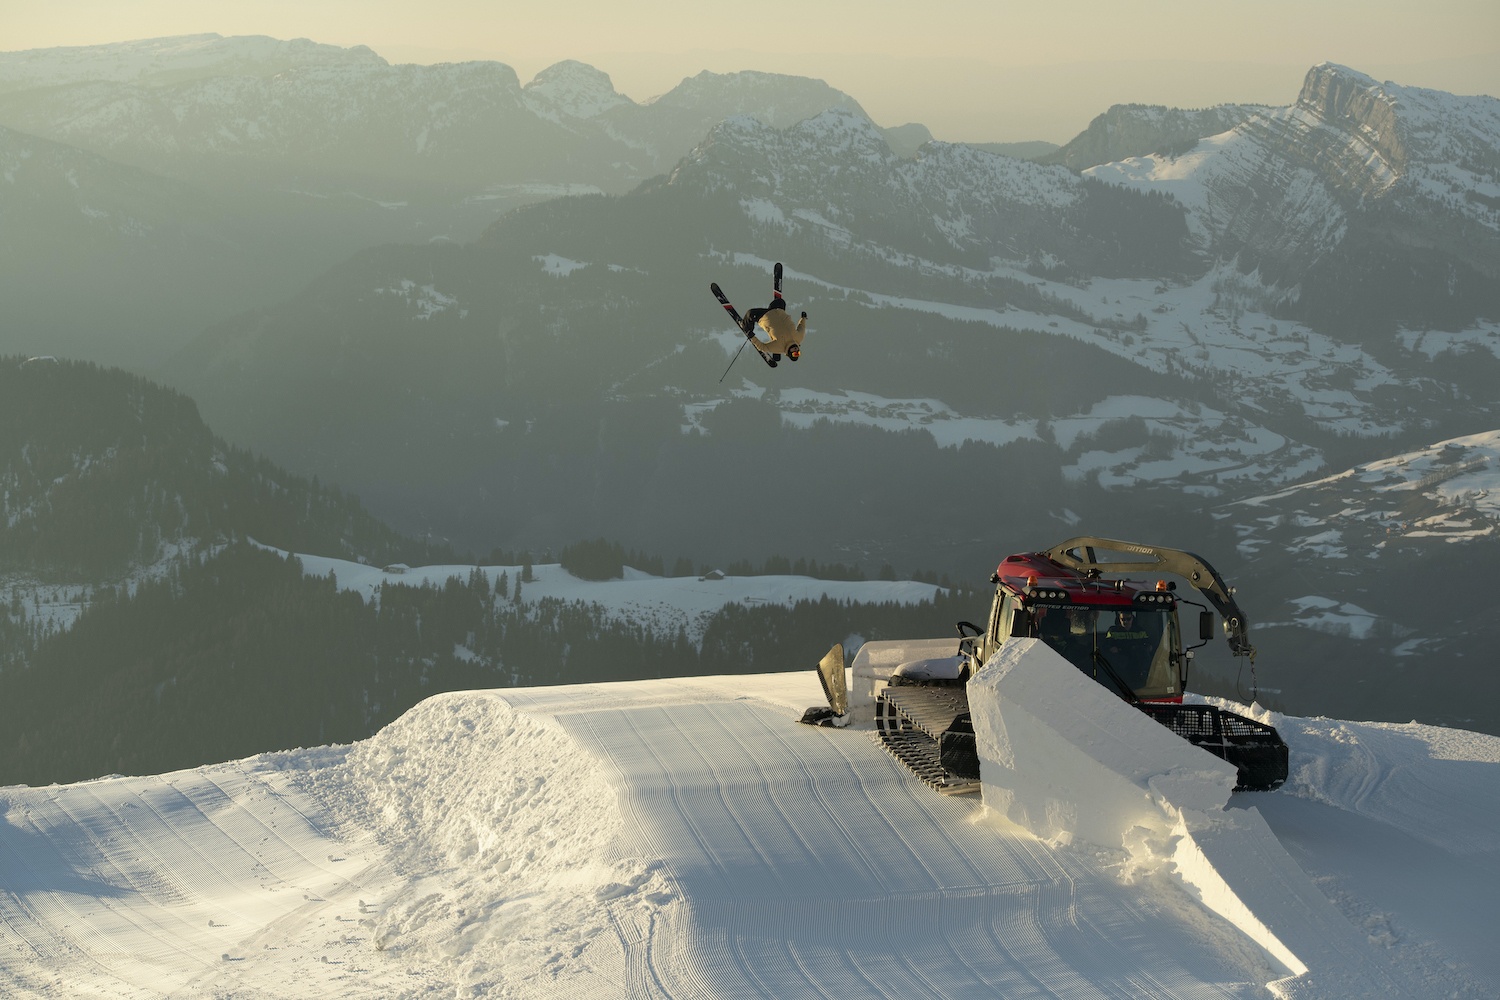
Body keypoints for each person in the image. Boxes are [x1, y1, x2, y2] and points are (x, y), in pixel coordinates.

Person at [741, 263, 807, 367]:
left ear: (789, 353)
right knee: (781, 301)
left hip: (765, 317)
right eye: (798, 352)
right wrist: (803, 318)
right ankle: (773, 308)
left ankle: (746, 327)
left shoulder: (779, 347)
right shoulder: (799, 338)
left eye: (795, 353)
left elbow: (762, 347)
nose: (796, 350)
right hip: (779, 311)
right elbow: (801, 327)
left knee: (750, 313)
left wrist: (752, 336)